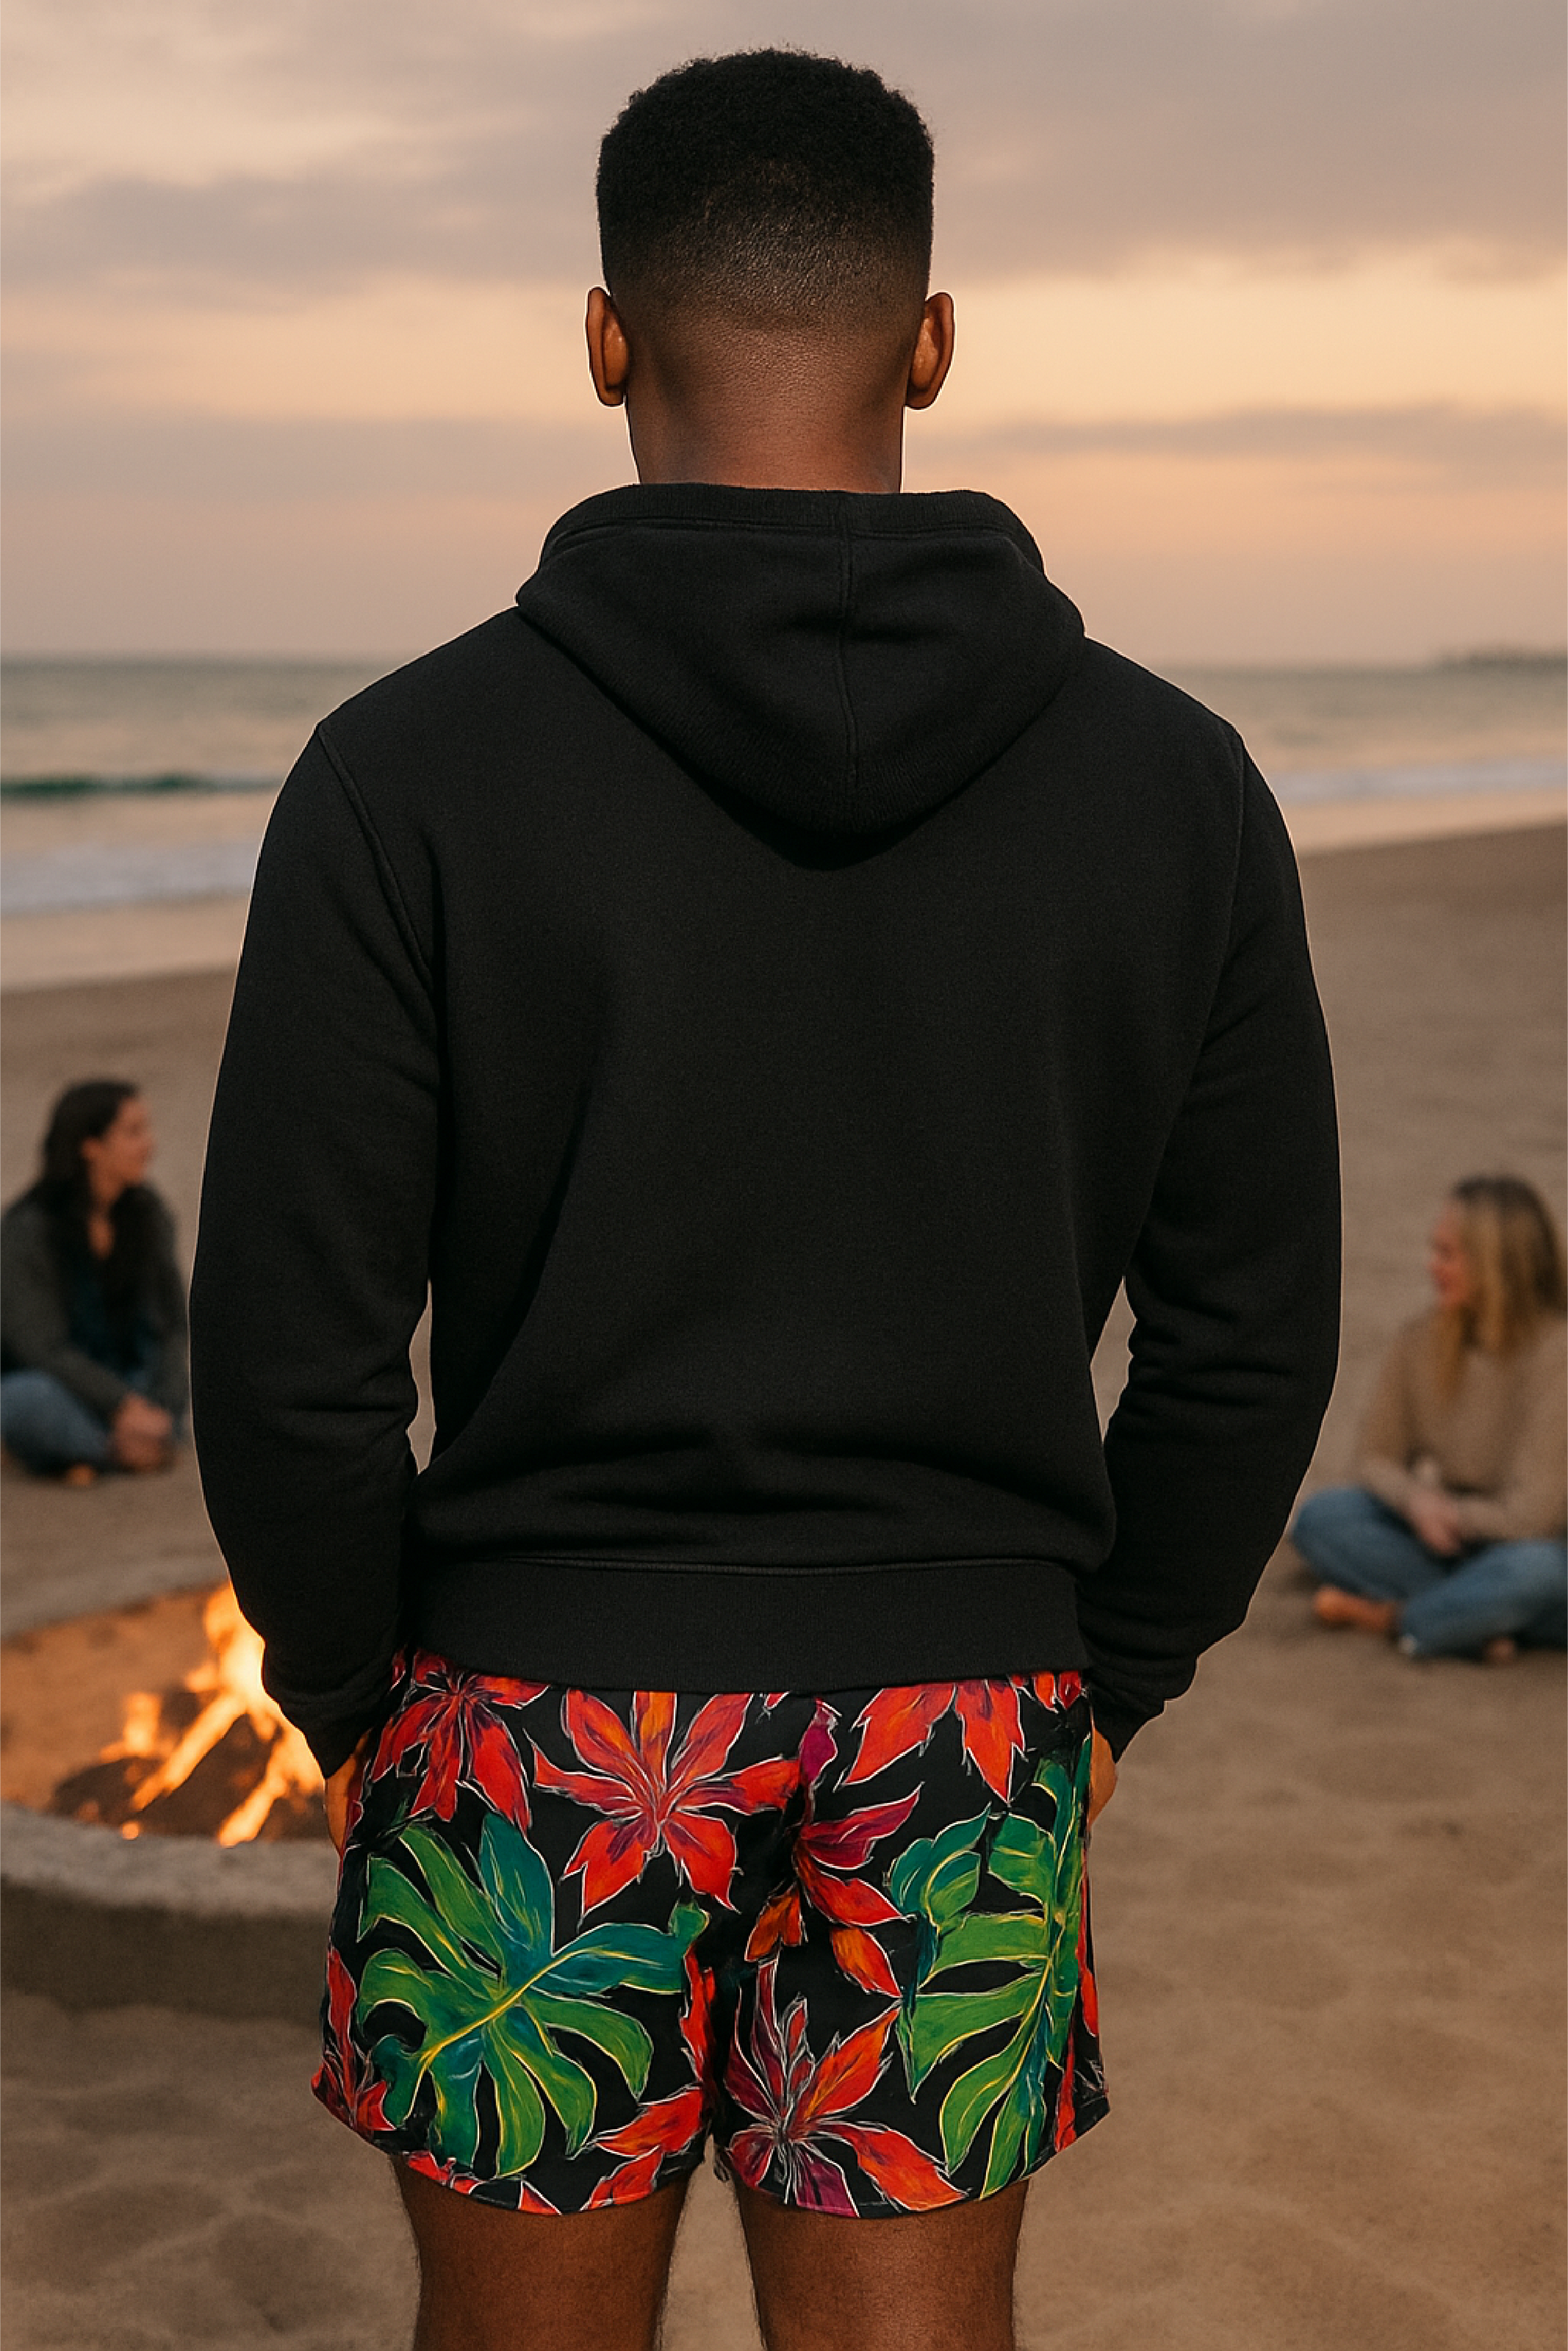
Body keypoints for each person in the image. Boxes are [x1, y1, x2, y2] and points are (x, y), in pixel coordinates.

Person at [190, 49, 1340, 2351]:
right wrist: (1108, 1678)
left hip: (530, 1712)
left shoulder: (403, 777)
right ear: (931, 342)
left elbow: (292, 1353)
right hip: (962, 1709)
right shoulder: (1174, 786)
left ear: (603, 338)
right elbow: (1249, 1331)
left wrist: (349, 1695)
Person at [1294, 1174, 1568, 1662]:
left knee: (1541, 1572)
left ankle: (1398, 1619)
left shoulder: (1557, 1354)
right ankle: (1477, 1620)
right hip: (1450, 1539)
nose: (1431, 1265)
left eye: (1449, 1254)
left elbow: (1534, 1516)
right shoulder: (1420, 1340)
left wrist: (1454, 1515)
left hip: (1534, 1545)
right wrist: (1417, 1500)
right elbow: (1375, 1457)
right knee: (1323, 1518)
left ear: (1497, 1265)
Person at [0, 1079, 185, 1482]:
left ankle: (103, 1450)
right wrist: (122, 1405)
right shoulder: (27, 1232)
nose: (149, 1145)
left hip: (137, 1383)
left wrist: (158, 1408)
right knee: (25, 1401)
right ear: (90, 1146)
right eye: (133, 1132)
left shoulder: (149, 1216)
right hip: (66, 1390)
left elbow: (174, 1325)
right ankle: (117, 1449)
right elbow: (39, 1347)